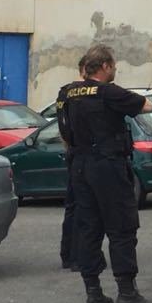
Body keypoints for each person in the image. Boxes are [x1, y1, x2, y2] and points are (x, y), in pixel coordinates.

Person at [58, 45, 152, 303]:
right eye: (113, 65)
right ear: (104, 66)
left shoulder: (66, 93)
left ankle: (93, 293)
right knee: (122, 228)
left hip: (79, 165)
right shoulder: (109, 92)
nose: (115, 70)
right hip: (108, 166)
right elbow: (146, 105)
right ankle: (127, 294)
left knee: (88, 228)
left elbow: (64, 133)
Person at [57, 54, 96, 272]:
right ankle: (78, 255)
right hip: (83, 154)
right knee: (83, 206)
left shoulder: (65, 92)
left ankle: (69, 254)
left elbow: (63, 126)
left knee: (73, 206)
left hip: (72, 152)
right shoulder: (82, 94)